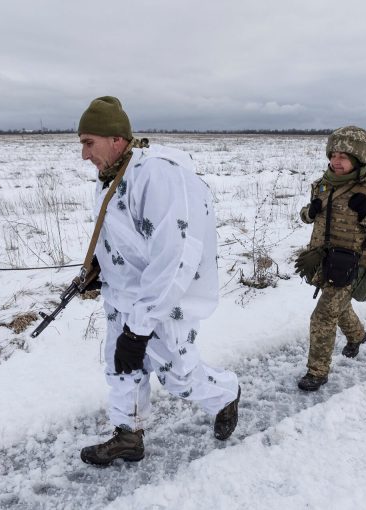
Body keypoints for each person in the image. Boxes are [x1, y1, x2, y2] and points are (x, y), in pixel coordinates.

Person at [76, 96, 240, 465]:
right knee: (120, 365)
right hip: (123, 296)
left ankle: (226, 393)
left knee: (177, 376)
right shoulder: (112, 176)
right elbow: (127, 237)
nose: (84, 154)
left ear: (116, 139)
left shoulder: (158, 176)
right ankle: (128, 435)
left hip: (164, 301)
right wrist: (100, 268)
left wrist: (141, 327)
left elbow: (175, 256)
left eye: (89, 143)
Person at [295, 126, 366, 391]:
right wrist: (310, 211)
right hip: (322, 260)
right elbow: (307, 216)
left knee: (322, 317)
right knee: (338, 305)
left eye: (344, 156)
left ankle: (317, 372)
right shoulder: (322, 184)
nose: (336, 161)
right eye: (334, 154)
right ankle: (357, 335)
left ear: (358, 159)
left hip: (351, 264)